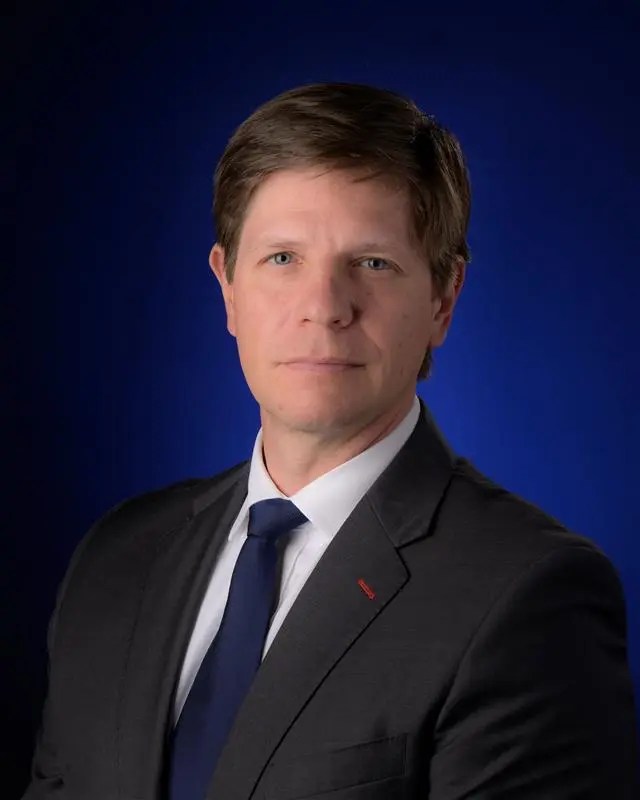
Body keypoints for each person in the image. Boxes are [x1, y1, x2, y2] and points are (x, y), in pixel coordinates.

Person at [24, 82, 638, 800]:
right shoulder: (116, 560)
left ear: (443, 299)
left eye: (372, 263)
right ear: (228, 289)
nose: (323, 308)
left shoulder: (529, 595)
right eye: (283, 259)